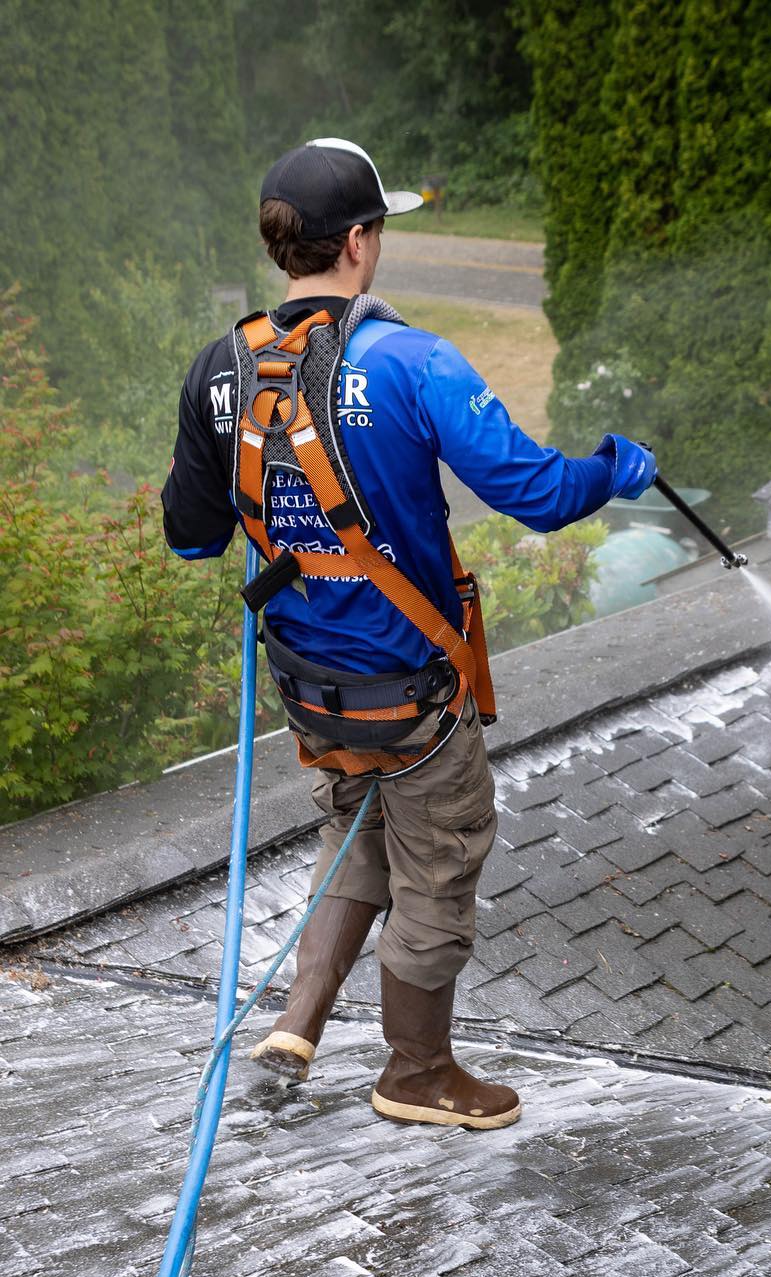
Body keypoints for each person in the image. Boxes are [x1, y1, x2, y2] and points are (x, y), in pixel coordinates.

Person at [162, 138, 656, 1131]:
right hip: (414, 699)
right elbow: (539, 495)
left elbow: (191, 537)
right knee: (439, 860)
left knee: (361, 825)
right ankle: (416, 1072)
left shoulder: (222, 369)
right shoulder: (416, 363)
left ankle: (297, 1021)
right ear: (359, 242)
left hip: (311, 689)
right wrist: (613, 467)